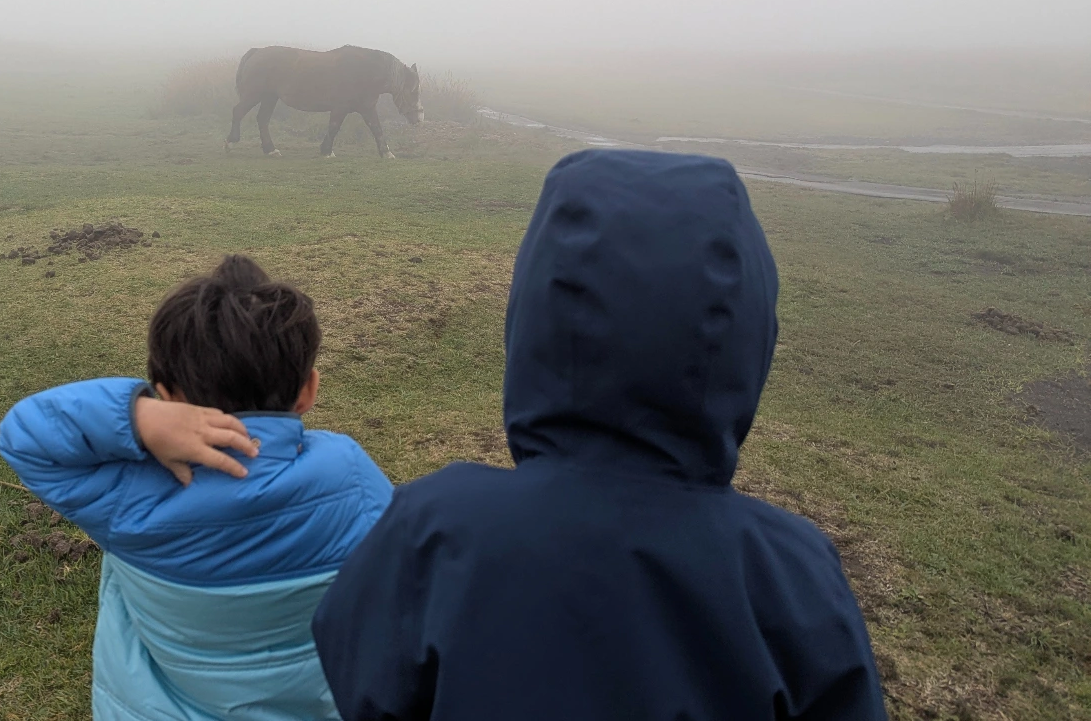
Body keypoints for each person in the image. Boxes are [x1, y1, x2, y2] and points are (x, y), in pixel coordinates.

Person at [311, 150, 887, 721]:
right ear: (749, 333)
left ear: (533, 313)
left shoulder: (433, 528)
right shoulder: (792, 574)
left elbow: (356, 672)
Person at [0, 254, 392, 721]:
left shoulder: (129, 493)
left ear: (166, 395)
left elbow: (24, 437)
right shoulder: (349, 474)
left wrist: (136, 416)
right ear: (308, 390)